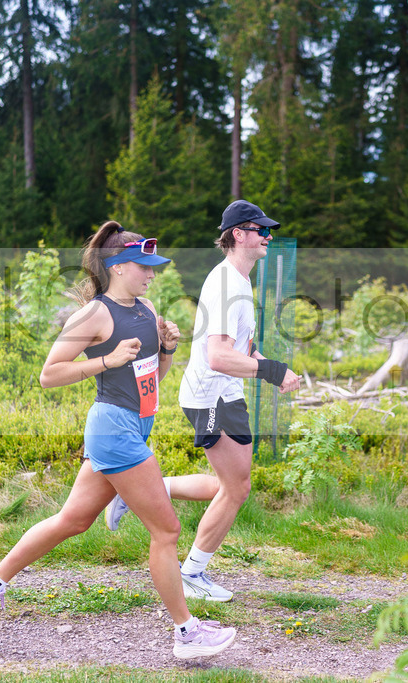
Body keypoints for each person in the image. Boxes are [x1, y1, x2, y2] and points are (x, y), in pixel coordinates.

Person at [0, 221, 236, 660]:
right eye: (144, 266)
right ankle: (187, 633)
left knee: (73, 520)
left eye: (153, 267)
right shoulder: (94, 315)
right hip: (114, 430)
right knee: (167, 530)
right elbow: (49, 374)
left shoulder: (147, 309)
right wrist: (107, 359)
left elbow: (153, 380)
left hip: (135, 424)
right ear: (118, 266)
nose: (152, 274)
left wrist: (166, 349)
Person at [104, 200, 300, 602]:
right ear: (238, 234)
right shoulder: (226, 282)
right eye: (261, 230)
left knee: (232, 486)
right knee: (236, 488)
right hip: (210, 395)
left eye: (269, 231)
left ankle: (141, 491)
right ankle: (192, 574)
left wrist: (272, 367)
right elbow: (218, 357)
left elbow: (241, 348)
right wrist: (273, 371)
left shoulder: (240, 281)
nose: (268, 237)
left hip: (226, 392)